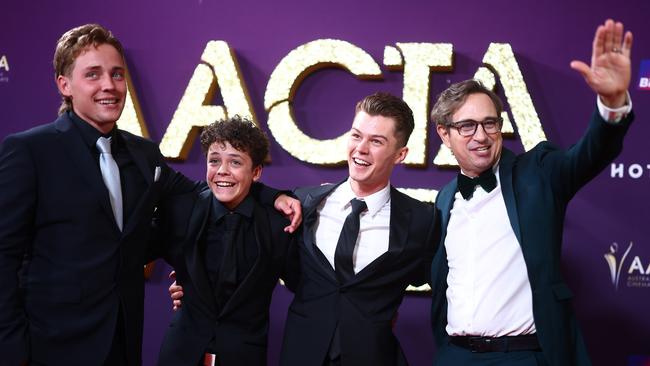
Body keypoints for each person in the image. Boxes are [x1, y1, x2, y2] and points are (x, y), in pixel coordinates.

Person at [429, 19, 634, 366]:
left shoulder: (538, 172)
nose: (481, 136)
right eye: (466, 126)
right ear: (444, 134)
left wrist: (611, 104)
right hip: (455, 356)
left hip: (522, 356)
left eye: (489, 123)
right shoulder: (445, 198)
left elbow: (587, 155)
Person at [0, 23, 196, 366]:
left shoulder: (144, 154)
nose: (109, 85)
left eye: (117, 74)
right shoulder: (30, 151)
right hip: (49, 349)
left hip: (123, 344)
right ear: (65, 85)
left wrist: (277, 199)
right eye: (93, 74)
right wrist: (13, 350)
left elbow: (197, 196)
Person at [152, 116, 298, 366]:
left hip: (244, 356)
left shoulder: (279, 224)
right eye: (214, 161)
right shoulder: (183, 210)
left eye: (235, 162)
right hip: (181, 353)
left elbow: (306, 285)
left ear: (256, 172)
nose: (222, 170)